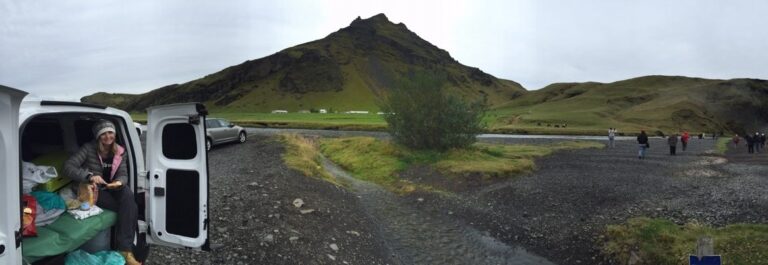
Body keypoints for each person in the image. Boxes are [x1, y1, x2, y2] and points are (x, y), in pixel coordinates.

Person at [63, 120, 140, 265]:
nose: (108, 136)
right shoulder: (88, 148)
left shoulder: (120, 151)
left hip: (111, 186)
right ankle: (125, 249)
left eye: (110, 132)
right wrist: (89, 176)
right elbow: (68, 167)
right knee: (129, 208)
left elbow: (123, 174)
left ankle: (124, 249)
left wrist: (119, 182)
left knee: (127, 195)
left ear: (114, 134)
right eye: (103, 133)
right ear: (98, 136)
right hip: (92, 188)